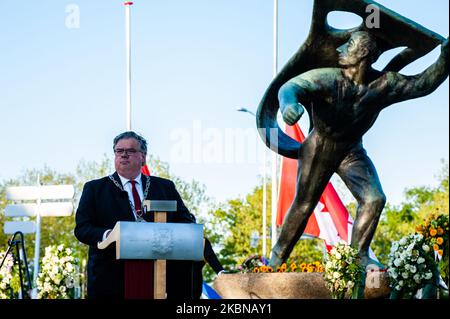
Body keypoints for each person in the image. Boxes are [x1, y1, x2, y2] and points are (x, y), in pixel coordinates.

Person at [269, 31, 449, 275]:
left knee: (374, 199)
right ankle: (275, 261)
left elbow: (422, 84)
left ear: (363, 53)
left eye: (349, 44)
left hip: (351, 151)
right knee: (304, 205)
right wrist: (289, 104)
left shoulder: (385, 84)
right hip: (320, 147)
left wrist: (445, 59)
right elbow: (291, 87)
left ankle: (358, 257)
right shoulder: (329, 78)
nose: (339, 49)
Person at [74, 131, 201, 299]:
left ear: (143, 157)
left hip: (161, 274)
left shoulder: (164, 187)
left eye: (130, 151)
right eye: (119, 151)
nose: (124, 155)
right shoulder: (95, 188)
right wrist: (108, 235)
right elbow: (82, 228)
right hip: (111, 275)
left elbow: (185, 221)